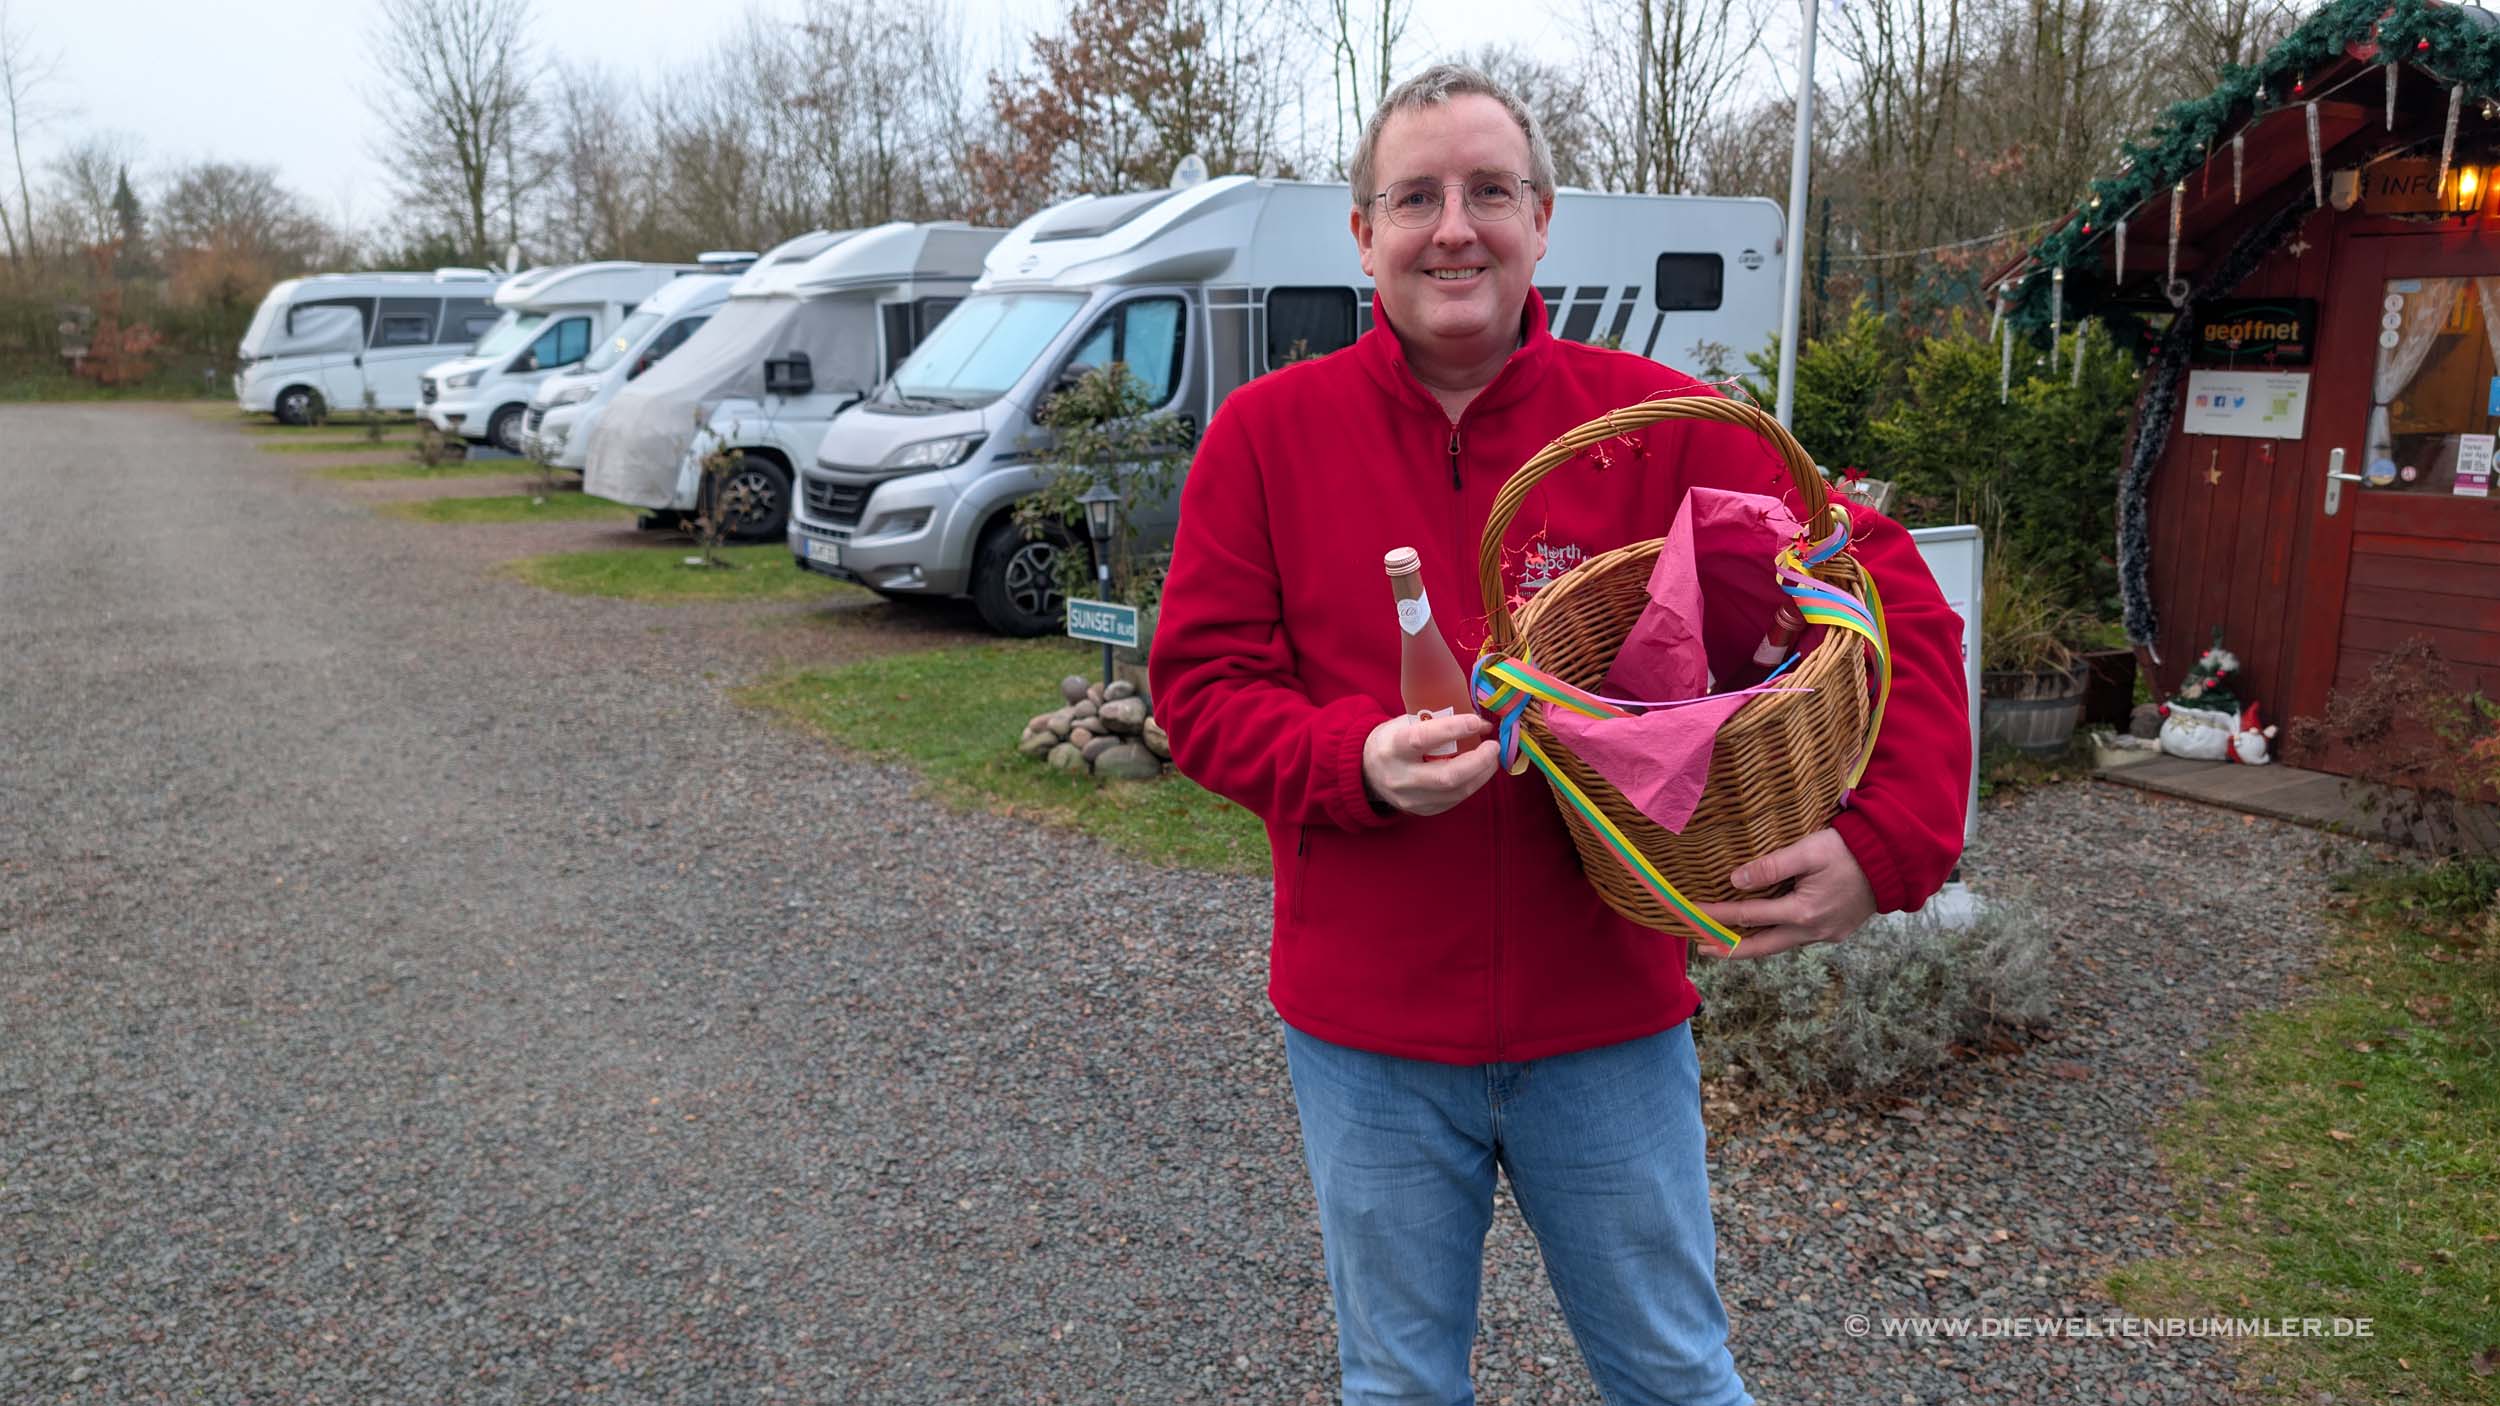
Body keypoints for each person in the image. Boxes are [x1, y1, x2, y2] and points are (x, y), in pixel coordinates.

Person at [1149, 65, 1969, 1405]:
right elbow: (1202, 686)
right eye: (1415, 196)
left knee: (1673, 1375)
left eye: (1488, 191)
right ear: (1363, 232)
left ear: (1543, 218)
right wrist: (1348, 762)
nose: (1452, 226)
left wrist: (1888, 844)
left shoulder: (1655, 424)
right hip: (1368, 1033)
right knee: (1401, 1384)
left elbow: (1887, 595)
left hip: (1609, 1016)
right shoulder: (1265, 437)